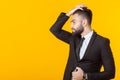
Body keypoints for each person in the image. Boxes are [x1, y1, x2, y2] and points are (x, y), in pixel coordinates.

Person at [50, 4, 115, 80]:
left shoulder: (102, 42)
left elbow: (110, 73)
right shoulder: (73, 38)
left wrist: (85, 76)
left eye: (74, 22)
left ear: (84, 22)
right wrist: (70, 12)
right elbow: (55, 30)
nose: (71, 26)